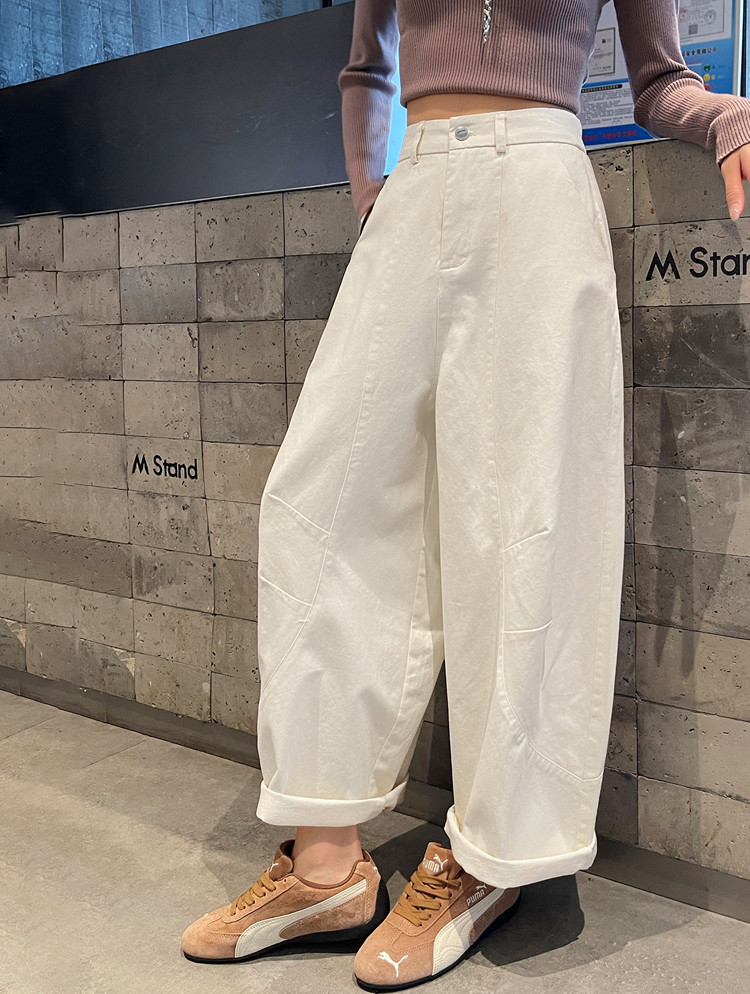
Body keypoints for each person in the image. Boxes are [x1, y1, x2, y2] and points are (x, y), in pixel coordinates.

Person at [182, 1, 750, 989]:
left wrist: (730, 119)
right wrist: (374, 190)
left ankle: (490, 857)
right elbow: (367, 67)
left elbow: (661, 81)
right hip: (415, 190)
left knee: (521, 523)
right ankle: (325, 867)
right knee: (321, 502)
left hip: (539, 190)